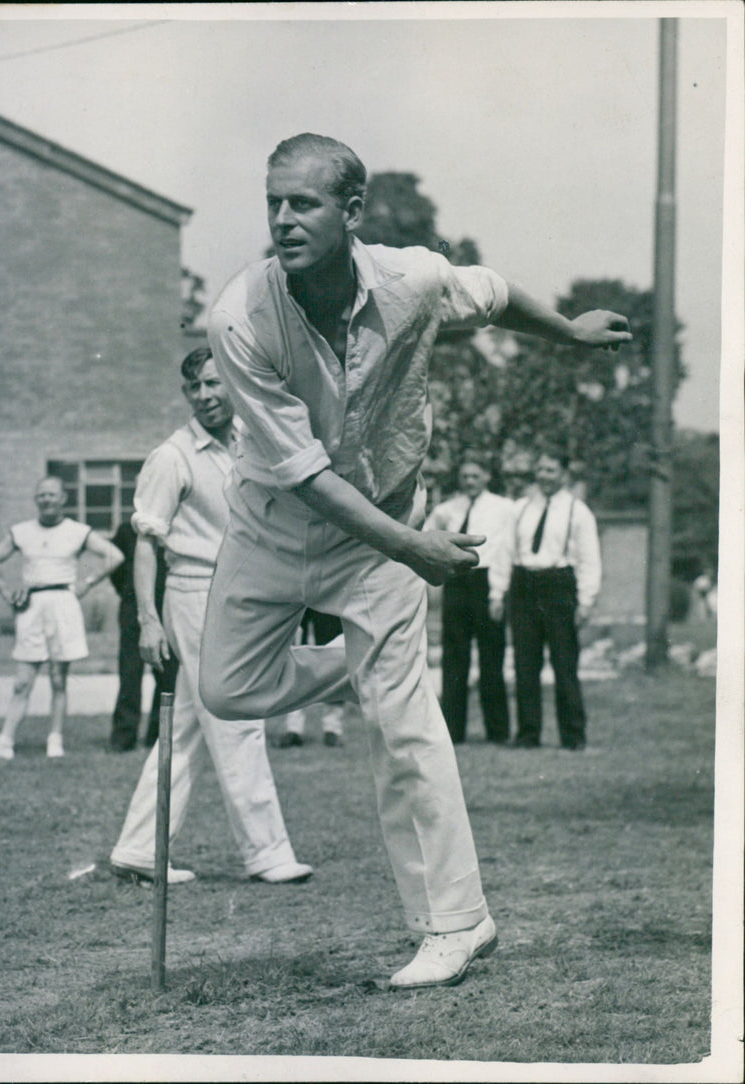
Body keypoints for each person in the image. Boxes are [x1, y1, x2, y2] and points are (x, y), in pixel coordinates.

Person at [199, 133, 631, 988]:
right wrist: (418, 549)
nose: (283, 219)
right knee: (227, 689)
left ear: (352, 212)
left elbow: (493, 293)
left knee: (406, 728)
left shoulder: (412, 277)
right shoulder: (237, 317)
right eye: (273, 203)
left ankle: (456, 924)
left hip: (385, 533)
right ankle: (360, 669)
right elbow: (308, 475)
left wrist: (568, 334)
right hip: (279, 523)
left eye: (305, 203)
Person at [109, 347, 312, 886]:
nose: (206, 396)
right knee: (237, 716)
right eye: (195, 387)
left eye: (215, 384)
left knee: (189, 730)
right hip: (195, 593)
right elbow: (145, 543)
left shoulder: (249, 440)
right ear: (185, 395)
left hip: (243, 592)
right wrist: (149, 621)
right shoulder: (172, 456)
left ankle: (136, 849)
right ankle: (267, 854)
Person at [0, 476, 123, 760]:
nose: (46, 499)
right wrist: (7, 593)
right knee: (22, 680)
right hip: (32, 606)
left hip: (63, 603)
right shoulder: (22, 531)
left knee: (58, 679)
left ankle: (55, 740)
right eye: (41, 495)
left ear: (64, 498)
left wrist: (86, 582)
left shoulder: (77, 531)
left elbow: (114, 555)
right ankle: (4, 743)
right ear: (35, 499)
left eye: (52, 495)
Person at [507, 447, 602, 751]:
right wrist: (499, 592)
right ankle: (528, 734)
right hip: (524, 584)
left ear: (564, 474)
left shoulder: (578, 511)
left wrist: (586, 601)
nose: (543, 476)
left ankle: (573, 736)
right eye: (540, 470)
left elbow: (589, 559)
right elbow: (504, 553)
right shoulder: (521, 508)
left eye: (550, 470)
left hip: (558, 585)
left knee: (564, 664)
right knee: (525, 664)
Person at [424, 451, 514, 745]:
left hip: (488, 580)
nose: (470, 481)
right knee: (454, 657)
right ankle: (452, 731)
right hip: (457, 583)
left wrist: (498, 591)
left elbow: (505, 550)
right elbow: (428, 537)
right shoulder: (447, 509)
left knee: (491, 658)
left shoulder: (504, 508)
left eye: (476, 476)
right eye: (465, 476)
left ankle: (498, 731)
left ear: (487, 476)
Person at [108, 520, 179, 752]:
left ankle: (158, 736)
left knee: (167, 674)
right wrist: (131, 595)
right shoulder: (128, 528)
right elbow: (115, 568)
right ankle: (124, 736)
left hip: (169, 606)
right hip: (134, 610)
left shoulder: (175, 526)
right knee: (130, 672)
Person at [277, 609, 346, 748]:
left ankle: (332, 729)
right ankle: (293, 729)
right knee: (296, 660)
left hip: (329, 600)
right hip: (301, 597)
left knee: (332, 659)